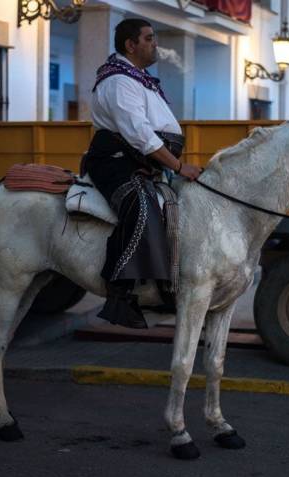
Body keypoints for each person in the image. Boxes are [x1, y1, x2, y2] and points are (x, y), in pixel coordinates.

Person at [84, 19, 201, 329]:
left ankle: (166, 284)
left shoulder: (138, 79)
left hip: (141, 162)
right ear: (130, 45)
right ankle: (119, 294)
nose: (155, 43)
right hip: (116, 161)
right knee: (141, 204)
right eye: (149, 38)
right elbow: (141, 136)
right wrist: (177, 166)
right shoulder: (119, 81)